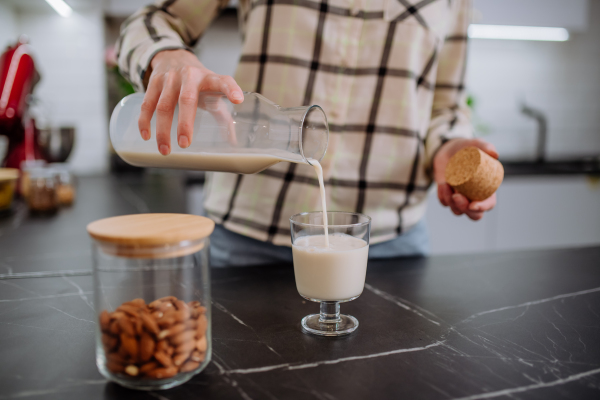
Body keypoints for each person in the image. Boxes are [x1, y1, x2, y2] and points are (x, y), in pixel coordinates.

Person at [117, 0, 498, 266]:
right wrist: (166, 54)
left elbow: (445, 106)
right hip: (248, 236)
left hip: (388, 242)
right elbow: (152, 21)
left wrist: (451, 146)